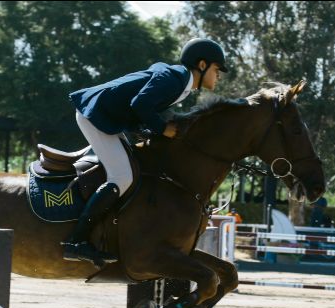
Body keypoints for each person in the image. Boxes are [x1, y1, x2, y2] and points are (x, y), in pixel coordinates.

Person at [62, 38, 228, 267]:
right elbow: (140, 104)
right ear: (202, 65)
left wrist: (149, 130)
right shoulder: (176, 80)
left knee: (133, 169)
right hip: (96, 115)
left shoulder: (180, 82)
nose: (218, 76)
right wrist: (162, 129)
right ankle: (76, 242)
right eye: (217, 69)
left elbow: (139, 106)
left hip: (108, 117)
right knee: (122, 177)